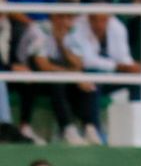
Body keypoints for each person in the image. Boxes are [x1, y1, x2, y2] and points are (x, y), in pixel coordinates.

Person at [16, 12, 101, 145]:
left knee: (87, 79)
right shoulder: (38, 29)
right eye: (60, 17)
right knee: (58, 79)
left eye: (68, 17)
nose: (64, 21)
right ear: (52, 17)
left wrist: (61, 44)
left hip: (58, 75)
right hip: (29, 75)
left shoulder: (73, 32)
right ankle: (67, 128)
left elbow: (78, 64)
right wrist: (73, 75)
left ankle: (89, 127)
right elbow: (41, 64)